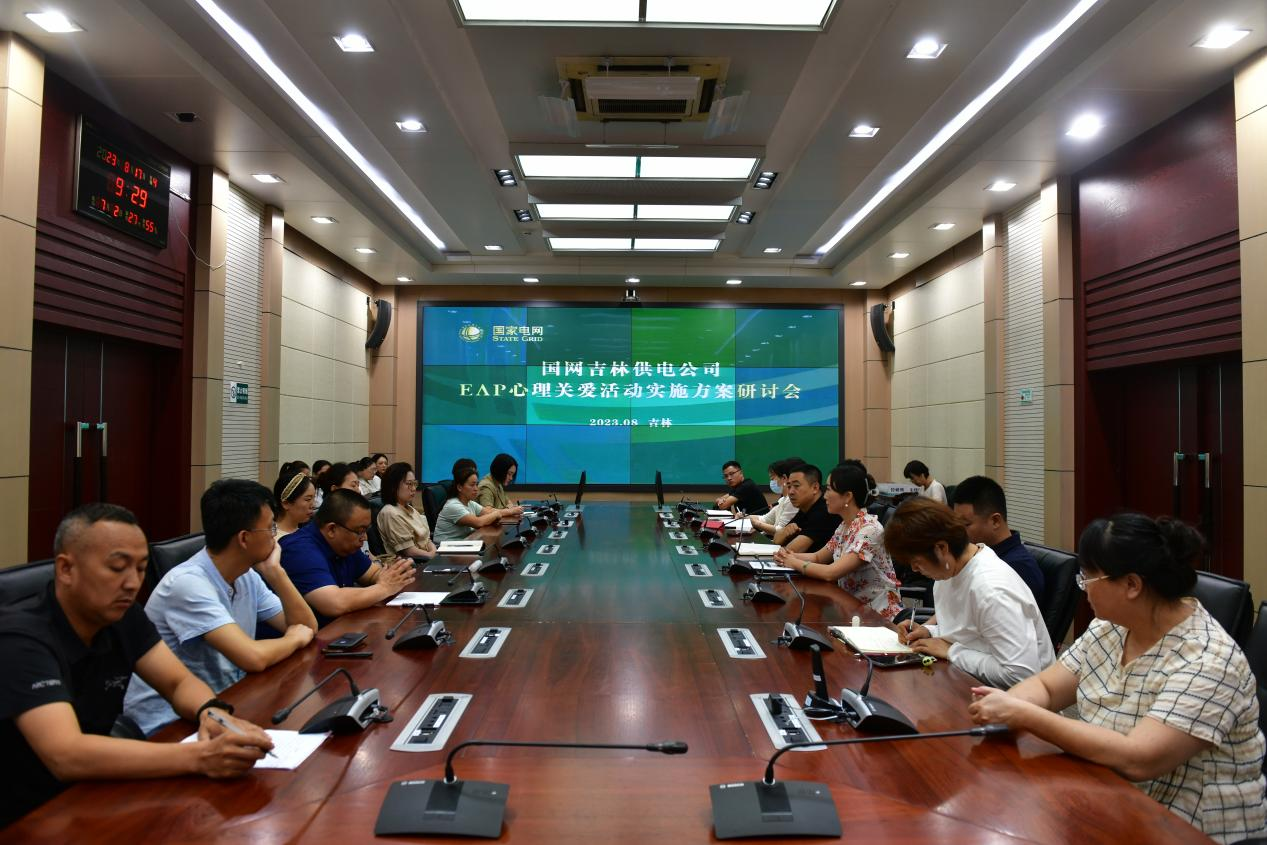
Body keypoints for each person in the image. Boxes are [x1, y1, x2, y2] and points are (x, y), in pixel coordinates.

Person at [968, 514, 1267, 844]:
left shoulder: (1209, 660)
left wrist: (1024, 715)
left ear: (1131, 585)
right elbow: (1047, 687)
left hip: (1187, 828)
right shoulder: (1110, 627)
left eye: (1089, 577)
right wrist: (1008, 706)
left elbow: (1138, 759)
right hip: (1109, 800)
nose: (1084, 587)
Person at [0, 504, 275, 827]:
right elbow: (65, 754)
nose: (132, 583)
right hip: (25, 814)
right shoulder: (20, 637)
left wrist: (213, 714)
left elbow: (178, 683)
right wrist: (202, 756)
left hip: (93, 791)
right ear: (66, 569)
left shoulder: (123, 615)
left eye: (141, 569)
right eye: (117, 568)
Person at [123, 480, 317, 736]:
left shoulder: (246, 575)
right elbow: (253, 657)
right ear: (244, 538)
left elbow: (308, 627)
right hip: (170, 724)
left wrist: (276, 573)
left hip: (226, 703)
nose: (275, 535)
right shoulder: (188, 584)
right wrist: (293, 638)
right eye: (270, 527)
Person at [884, 497, 1053, 688]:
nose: (914, 570)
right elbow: (969, 632)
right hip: (966, 682)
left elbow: (1021, 674)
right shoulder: (949, 570)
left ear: (941, 548)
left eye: (916, 562)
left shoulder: (992, 589)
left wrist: (952, 652)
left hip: (1018, 699)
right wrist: (928, 632)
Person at [774, 463, 902, 619]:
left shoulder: (869, 530)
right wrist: (788, 555)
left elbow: (831, 573)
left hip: (878, 614)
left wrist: (794, 562)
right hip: (850, 608)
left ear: (847, 496)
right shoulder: (845, 525)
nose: (825, 496)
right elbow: (818, 557)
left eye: (829, 489)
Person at [279, 489, 415, 626]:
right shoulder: (299, 550)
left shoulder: (345, 544)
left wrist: (394, 575)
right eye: (360, 531)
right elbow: (333, 603)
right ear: (332, 529)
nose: (364, 538)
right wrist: (384, 588)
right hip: (304, 637)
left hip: (340, 628)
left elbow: (372, 574)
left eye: (366, 531)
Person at [951, 475, 1045, 604]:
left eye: (966, 524)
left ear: (995, 521)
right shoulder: (978, 554)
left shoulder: (1018, 568)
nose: (959, 531)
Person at [434, 466, 523, 542]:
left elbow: (488, 512)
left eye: (476, 484)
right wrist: (497, 514)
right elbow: (478, 522)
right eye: (472, 485)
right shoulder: (453, 505)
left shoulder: (470, 503)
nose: (476, 489)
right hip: (446, 550)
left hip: (463, 543)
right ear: (459, 487)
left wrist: (500, 513)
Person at [772, 464, 841, 553]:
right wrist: (785, 531)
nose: (791, 492)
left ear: (815, 488)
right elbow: (776, 540)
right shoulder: (804, 507)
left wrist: (784, 537)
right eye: (789, 486)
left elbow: (791, 551)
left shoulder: (825, 511)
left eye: (796, 486)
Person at [377, 462, 436, 560]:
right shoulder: (390, 513)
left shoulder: (410, 508)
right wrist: (432, 555)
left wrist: (434, 552)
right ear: (393, 486)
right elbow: (409, 551)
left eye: (414, 484)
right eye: (409, 484)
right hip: (413, 563)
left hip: (427, 557)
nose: (413, 489)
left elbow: (426, 540)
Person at [749, 457, 802, 536]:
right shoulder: (782, 499)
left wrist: (757, 524)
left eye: (772, 478)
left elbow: (780, 530)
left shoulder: (792, 500)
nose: (772, 482)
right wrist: (744, 517)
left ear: (784, 478)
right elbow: (765, 519)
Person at [273, 471, 317, 538]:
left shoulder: (306, 533)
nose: (313, 505)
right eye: (308, 499)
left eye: (314, 498)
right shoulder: (273, 538)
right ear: (286, 504)